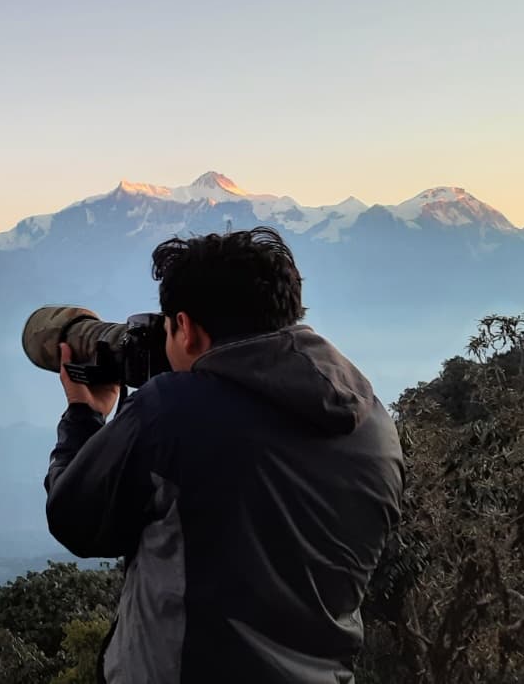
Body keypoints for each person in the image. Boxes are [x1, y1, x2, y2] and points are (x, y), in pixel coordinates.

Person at [44, 227, 404, 683]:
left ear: (187, 329)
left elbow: (75, 519)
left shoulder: (171, 411)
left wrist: (85, 415)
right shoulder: (374, 423)